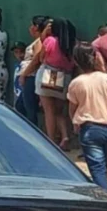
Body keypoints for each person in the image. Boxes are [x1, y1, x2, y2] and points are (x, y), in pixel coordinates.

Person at [67, 42, 107, 191]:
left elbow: (72, 108)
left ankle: (106, 201)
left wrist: (75, 123)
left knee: (97, 170)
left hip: (90, 129)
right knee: (102, 168)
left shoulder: (76, 83)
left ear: (76, 60)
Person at [21, 18, 76, 150]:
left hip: (47, 75)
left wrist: (45, 33)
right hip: (65, 77)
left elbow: (40, 58)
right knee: (59, 111)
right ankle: (65, 136)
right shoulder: (72, 44)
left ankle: (51, 141)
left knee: (49, 111)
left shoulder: (50, 41)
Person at [16, 16, 48, 125]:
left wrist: (24, 75)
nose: (30, 28)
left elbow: (36, 60)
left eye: (32, 25)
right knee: (21, 106)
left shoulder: (39, 42)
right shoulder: (37, 41)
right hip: (30, 77)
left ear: (36, 27)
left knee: (29, 109)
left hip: (32, 78)